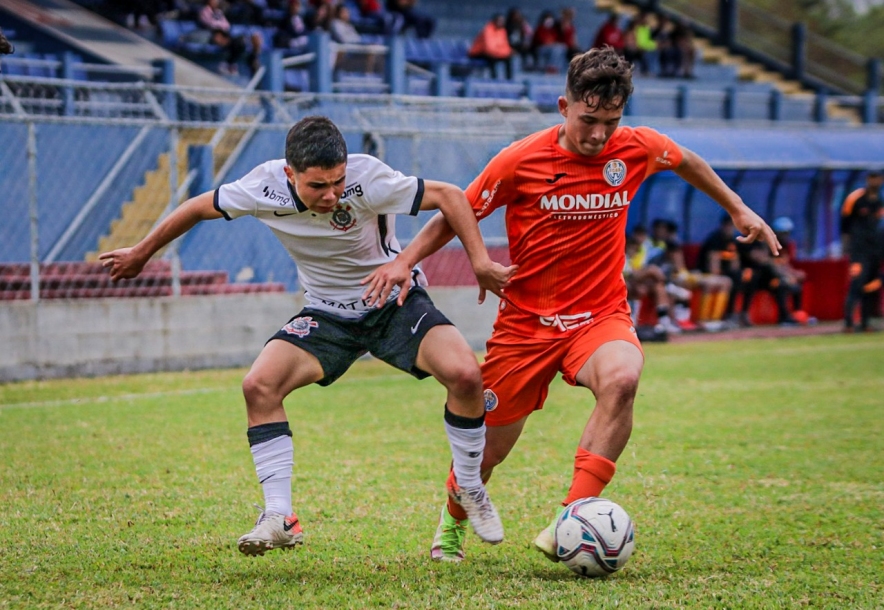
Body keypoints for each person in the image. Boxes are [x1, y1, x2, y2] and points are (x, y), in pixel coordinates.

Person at [361, 46, 780, 563]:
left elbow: (686, 160)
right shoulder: (520, 160)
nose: (600, 134)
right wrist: (404, 261)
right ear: (564, 106)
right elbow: (456, 212)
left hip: (600, 315)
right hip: (526, 325)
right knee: (487, 452)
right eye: (589, 120)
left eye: (611, 121)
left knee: (623, 378)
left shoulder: (636, 148)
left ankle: (574, 515)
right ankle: (451, 526)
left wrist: (738, 208)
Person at [99, 116, 516, 557]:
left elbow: (450, 196)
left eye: (337, 182)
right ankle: (280, 516)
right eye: (318, 186)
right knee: (259, 386)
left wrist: (479, 262)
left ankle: (469, 488)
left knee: (467, 376)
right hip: (327, 314)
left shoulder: (368, 178)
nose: (332, 195)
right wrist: (141, 253)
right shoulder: (262, 187)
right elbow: (199, 206)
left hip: (393, 301)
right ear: (289, 175)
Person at [841, 170, 883, 332]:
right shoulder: (855, 198)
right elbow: (844, 224)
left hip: (875, 251)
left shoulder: (879, 200)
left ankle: (865, 323)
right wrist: (847, 247)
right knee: (856, 285)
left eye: (878, 177)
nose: (875, 181)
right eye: (872, 177)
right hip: (859, 251)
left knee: (870, 286)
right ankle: (849, 323)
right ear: (867, 179)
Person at [698, 214, 750, 327]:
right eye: (729, 226)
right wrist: (718, 276)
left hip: (725, 273)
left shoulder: (732, 241)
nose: (731, 229)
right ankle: (710, 318)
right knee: (727, 281)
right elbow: (713, 264)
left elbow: (735, 263)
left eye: (734, 226)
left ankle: (733, 314)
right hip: (705, 272)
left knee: (745, 277)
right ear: (723, 226)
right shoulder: (715, 239)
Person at [468, 13, 513, 80]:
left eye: (503, 21)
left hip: (495, 52)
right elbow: (489, 47)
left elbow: (505, 46)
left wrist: (506, 53)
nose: (502, 23)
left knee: (508, 58)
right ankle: (494, 78)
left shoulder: (502, 31)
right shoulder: (487, 30)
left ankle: (509, 79)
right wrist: (501, 52)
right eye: (500, 21)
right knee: (492, 58)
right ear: (495, 21)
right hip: (478, 52)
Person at [505, 8, 534, 72]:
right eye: (515, 15)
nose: (517, 17)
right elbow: (504, 39)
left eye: (518, 15)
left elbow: (529, 34)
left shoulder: (522, 25)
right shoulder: (506, 26)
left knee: (529, 51)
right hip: (509, 46)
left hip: (520, 45)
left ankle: (528, 69)